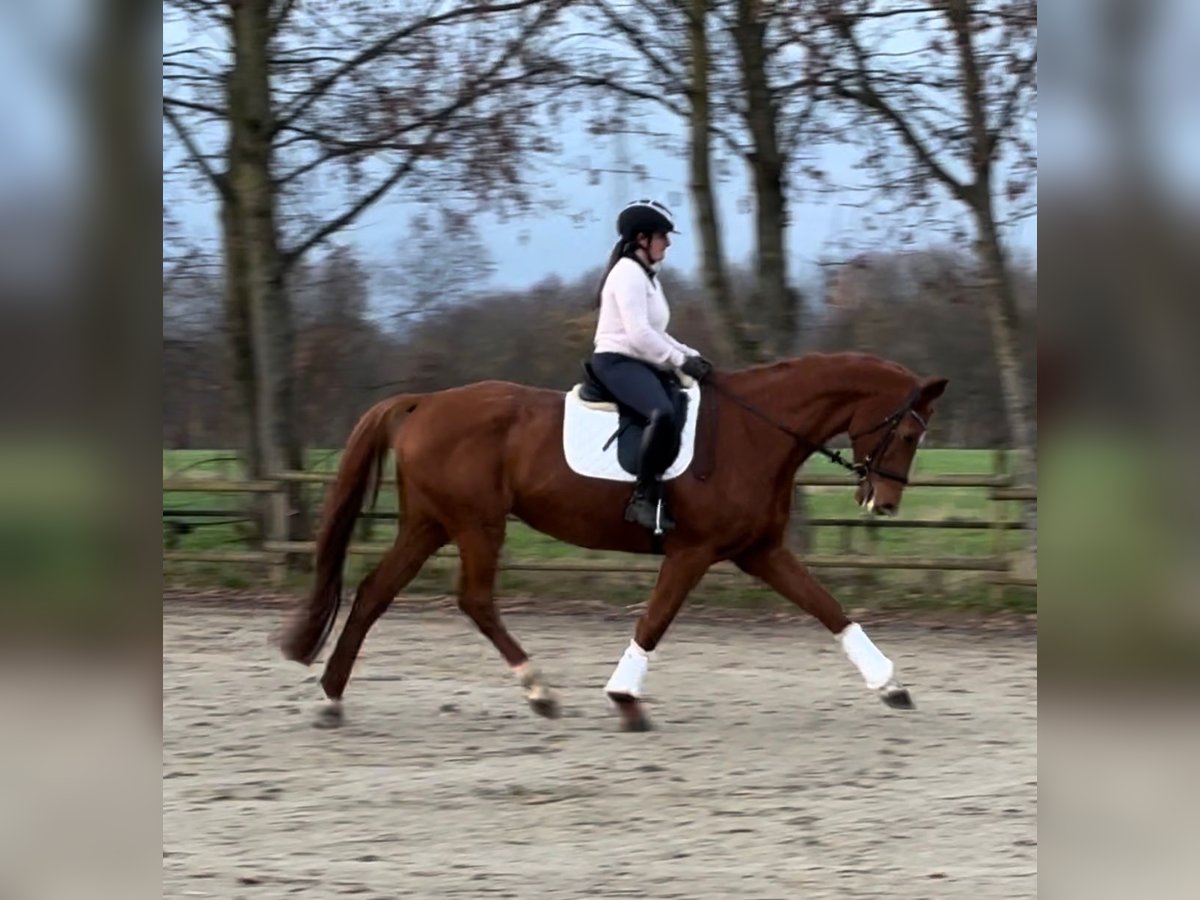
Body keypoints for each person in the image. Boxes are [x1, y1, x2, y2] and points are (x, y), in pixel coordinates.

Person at [589, 198, 714, 533]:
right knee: (662, 413)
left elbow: (657, 333)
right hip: (616, 361)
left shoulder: (648, 278)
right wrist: (680, 361)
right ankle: (643, 498)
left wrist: (691, 354)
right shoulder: (628, 273)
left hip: (639, 360)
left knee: (679, 404)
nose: (668, 242)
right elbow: (639, 334)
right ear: (642, 238)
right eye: (663, 235)